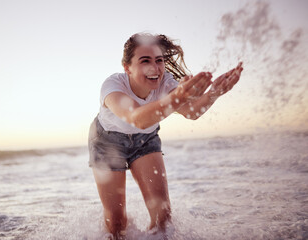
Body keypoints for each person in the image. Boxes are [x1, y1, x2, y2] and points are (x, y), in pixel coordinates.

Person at [88, 33, 243, 239]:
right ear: (128, 67)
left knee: (163, 216)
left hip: (145, 141)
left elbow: (191, 112)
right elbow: (137, 118)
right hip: (107, 142)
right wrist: (178, 97)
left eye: (159, 61)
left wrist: (215, 92)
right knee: (117, 224)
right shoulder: (112, 86)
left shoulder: (166, 82)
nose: (155, 68)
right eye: (145, 61)